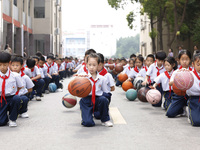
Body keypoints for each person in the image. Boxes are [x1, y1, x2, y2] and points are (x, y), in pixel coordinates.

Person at [79, 53, 113, 127]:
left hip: (98, 99)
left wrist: (105, 99)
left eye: (94, 65)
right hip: (86, 100)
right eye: (90, 64)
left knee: (103, 99)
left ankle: (105, 120)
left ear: (98, 65)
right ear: (86, 65)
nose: (91, 67)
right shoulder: (83, 77)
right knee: (88, 123)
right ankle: (85, 118)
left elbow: (106, 92)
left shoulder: (102, 79)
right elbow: (75, 88)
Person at [0, 51, 23, 127]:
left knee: (17, 98)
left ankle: (12, 119)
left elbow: (20, 87)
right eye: (0, 65)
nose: (2, 67)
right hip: (1, 99)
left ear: (9, 64)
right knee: (1, 122)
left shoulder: (15, 76)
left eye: (5, 65)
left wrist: (15, 94)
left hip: (11, 98)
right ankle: (4, 117)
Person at [167, 50, 192, 118]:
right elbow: (170, 83)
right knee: (170, 113)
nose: (184, 61)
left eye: (187, 59)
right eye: (182, 59)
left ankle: (188, 107)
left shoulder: (192, 71)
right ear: (179, 60)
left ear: (190, 60)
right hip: (179, 94)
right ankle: (182, 109)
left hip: (190, 94)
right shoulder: (176, 72)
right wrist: (179, 79)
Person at [187, 53, 200, 126]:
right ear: (193, 64)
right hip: (194, 99)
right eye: (198, 65)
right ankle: (190, 112)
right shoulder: (189, 74)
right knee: (197, 122)